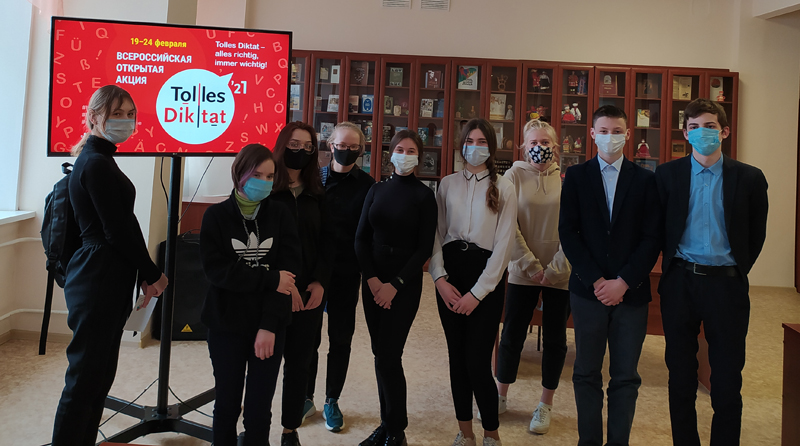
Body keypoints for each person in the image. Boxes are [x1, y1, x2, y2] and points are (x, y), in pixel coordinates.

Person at [52, 85, 169, 446]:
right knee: (84, 379)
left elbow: (124, 225)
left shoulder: (101, 159)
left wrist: (144, 273)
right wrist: (153, 273)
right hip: (97, 277)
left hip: (108, 276)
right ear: (94, 117)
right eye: (116, 114)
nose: (126, 121)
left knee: (99, 378)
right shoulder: (94, 163)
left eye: (130, 114)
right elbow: (116, 230)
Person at [655, 99, 768, 446]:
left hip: (726, 286)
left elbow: (756, 234)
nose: (701, 132)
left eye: (709, 126)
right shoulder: (667, 175)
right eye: (694, 127)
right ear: (685, 133)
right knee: (680, 376)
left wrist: (735, 270)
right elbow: (658, 228)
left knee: (727, 378)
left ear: (725, 131)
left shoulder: (749, 178)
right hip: (680, 282)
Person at [558, 105, 661, 446]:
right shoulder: (576, 176)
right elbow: (568, 232)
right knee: (586, 373)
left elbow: (652, 238)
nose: (610, 137)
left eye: (617, 131)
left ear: (628, 135)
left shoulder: (646, 179)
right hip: (588, 291)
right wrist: (597, 281)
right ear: (592, 134)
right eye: (603, 131)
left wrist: (623, 282)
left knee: (625, 377)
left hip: (631, 293)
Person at [200, 144, 302, 446]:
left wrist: (269, 326)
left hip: (269, 325)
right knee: (227, 403)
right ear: (239, 174)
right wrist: (270, 279)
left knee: (259, 408)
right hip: (225, 324)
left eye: (270, 176)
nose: (264, 182)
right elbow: (218, 272)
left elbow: (288, 274)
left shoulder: (281, 214)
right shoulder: (215, 216)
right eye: (257, 175)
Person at [430, 118, 517, 446]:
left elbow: (504, 247)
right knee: (457, 357)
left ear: (491, 148)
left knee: (477, 361)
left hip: (486, 281)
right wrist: (439, 278)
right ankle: (465, 432)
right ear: (461, 144)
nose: (475, 147)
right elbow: (437, 235)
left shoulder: (504, 187)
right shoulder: (447, 184)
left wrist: (478, 293)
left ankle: (491, 433)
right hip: (451, 276)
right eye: (470, 140)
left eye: (482, 142)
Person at [354, 130, 438, 446]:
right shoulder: (376, 190)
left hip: (404, 284)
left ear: (419, 157)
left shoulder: (424, 196)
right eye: (400, 149)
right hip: (373, 281)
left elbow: (424, 249)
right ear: (391, 154)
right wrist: (372, 280)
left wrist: (394, 285)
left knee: (390, 355)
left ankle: (396, 431)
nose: (405, 155)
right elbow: (361, 239)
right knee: (380, 354)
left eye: (411, 150)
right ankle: (386, 423)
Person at [494, 120, 571, 435]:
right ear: (523, 146)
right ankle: (500, 396)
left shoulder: (567, 180)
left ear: (555, 145)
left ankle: (545, 404)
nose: (540, 146)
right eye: (534, 142)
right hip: (521, 271)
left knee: (555, 340)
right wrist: (530, 266)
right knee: (512, 336)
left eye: (545, 141)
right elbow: (507, 225)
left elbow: (574, 228)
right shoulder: (511, 177)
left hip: (560, 274)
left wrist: (554, 270)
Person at [306, 122, 375, 432]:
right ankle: (305, 397)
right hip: (313, 274)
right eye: (341, 145)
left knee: (340, 339)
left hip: (347, 273)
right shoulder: (314, 181)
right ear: (330, 145)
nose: (346, 150)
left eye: (353, 146)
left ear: (361, 150)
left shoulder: (369, 186)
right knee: (308, 337)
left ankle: (332, 399)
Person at [270, 121, 333, 446]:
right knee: (265, 363)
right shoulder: (266, 189)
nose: (301, 151)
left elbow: (327, 243)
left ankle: (289, 429)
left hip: (310, 295)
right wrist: (284, 284)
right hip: (271, 291)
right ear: (283, 145)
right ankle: (255, 426)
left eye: (308, 147)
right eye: (294, 144)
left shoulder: (318, 193)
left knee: (299, 364)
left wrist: (320, 282)